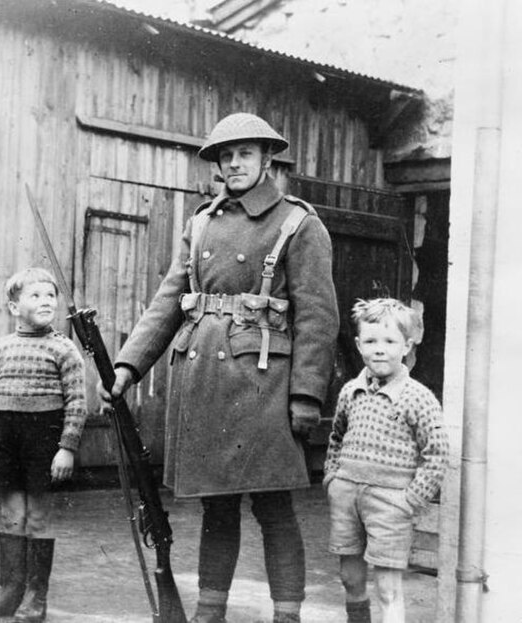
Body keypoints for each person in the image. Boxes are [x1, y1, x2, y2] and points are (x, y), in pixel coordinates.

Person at [99, 112, 339, 623]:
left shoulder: (299, 223)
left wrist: (306, 397)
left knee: (274, 508)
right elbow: (169, 301)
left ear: (266, 159)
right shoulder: (201, 222)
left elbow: (318, 317)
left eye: (244, 154)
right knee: (217, 507)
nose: (233, 164)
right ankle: (209, 615)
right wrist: (127, 368)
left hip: (265, 386)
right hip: (205, 382)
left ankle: (287, 616)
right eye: (225, 156)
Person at [0, 267, 88, 622]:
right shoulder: (1, 348)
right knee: (11, 514)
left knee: (37, 516)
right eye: (35, 295)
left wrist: (67, 447)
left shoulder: (64, 349)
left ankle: (36, 596)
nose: (46, 300)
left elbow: (78, 403)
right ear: (14, 307)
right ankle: (8, 591)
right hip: (10, 443)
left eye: (50, 295)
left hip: (44, 444)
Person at [323, 298, 449, 623]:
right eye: (371, 341)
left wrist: (411, 500)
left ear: (406, 346)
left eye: (390, 342)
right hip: (347, 496)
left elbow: (436, 452)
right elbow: (336, 437)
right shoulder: (350, 391)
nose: (380, 350)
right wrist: (332, 479)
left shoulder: (417, 397)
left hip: (391, 503)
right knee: (351, 578)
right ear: (358, 344)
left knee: (388, 588)